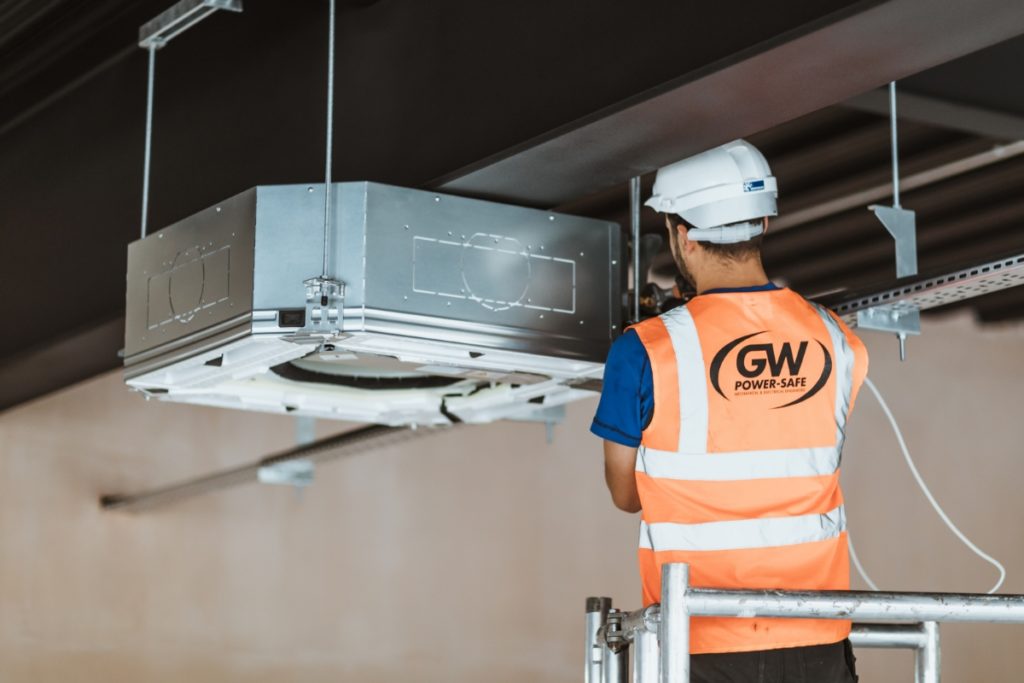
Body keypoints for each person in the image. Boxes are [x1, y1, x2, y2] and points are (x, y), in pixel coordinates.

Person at [591, 139, 868, 683]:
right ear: (762, 225)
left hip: (700, 640)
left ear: (682, 235)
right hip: (818, 640)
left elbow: (626, 496)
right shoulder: (838, 340)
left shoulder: (643, 350)